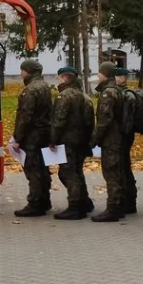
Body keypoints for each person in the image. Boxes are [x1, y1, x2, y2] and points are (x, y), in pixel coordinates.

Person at [49, 66, 95, 220]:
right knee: (77, 171)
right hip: (82, 141)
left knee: (67, 172)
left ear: (64, 78)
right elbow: (90, 121)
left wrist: (52, 140)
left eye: (59, 77)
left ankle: (75, 206)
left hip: (68, 141)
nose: (58, 80)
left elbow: (59, 121)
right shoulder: (84, 96)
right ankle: (84, 201)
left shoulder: (64, 96)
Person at [11, 59, 53, 217]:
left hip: (32, 135)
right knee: (43, 168)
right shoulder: (44, 86)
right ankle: (44, 200)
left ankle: (35, 204)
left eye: (22, 70)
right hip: (44, 133)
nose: (20, 73)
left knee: (33, 169)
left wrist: (18, 138)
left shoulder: (30, 90)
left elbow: (26, 116)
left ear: (28, 71)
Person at [91, 62, 127, 222]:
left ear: (104, 74)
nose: (98, 75)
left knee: (111, 174)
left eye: (99, 72)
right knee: (117, 173)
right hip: (117, 138)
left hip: (111, 139)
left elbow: (105, 119)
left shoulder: (108, 93)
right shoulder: (116, 90)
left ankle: (113, 208)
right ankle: (119, 206)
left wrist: (95, 138)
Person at [114, 68, 138, 213]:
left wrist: (122, 134)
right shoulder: (123, 93)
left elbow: (127, 120)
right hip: (126, 135)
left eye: (116, 76)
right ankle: (128, 200)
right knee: (124, 167)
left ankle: (128, 201)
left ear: (123, 78)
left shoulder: (127, 95)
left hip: (124, 136)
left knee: (123, 168)